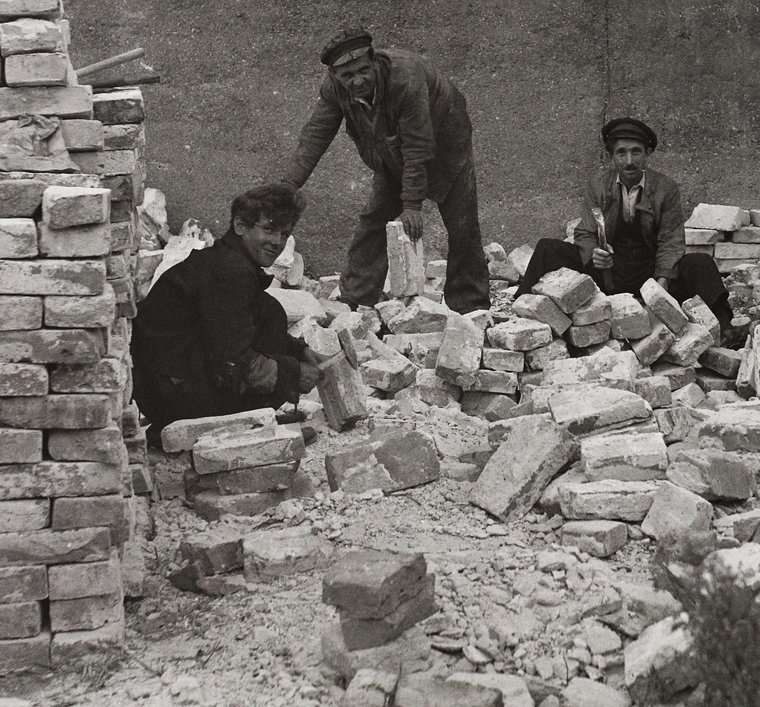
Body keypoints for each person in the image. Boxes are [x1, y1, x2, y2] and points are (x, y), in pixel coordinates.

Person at [283, 28, 490, 313]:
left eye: (363, 70)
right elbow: (315, 135)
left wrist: (412, 205)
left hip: (446, 145)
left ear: (374, 59)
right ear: (334, 76)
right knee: (374, 220)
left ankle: (471, 307)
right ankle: (356, 299)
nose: (357, 81)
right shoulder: (334, 89)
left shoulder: (405, 76)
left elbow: (418, 144)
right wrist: (288, 185)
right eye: (347, 76)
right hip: (389, 149)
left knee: (462, 225)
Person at [130, 183, 322, 441]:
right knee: (265, 353)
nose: (277, 242)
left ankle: (249, 420)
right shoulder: (229, 273)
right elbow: (236, 362)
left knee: (270, 311)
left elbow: (238, 326)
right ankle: (229, 428)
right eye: (268, 229)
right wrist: (295, 374)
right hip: (173, 396)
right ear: (240, 226)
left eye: (284, 234)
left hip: (171, 382)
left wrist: (300, 352)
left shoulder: (229, 261)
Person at [516, 117, 734, 340]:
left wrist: (662, 282)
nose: (629, 161)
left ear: (647, 153)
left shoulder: (665, 188)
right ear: (612, 156)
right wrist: (594, 255)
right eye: (621, 153)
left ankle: (725, 330)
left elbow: (671, 241)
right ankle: (520, 315)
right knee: (547, 248)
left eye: (636, 152)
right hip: (606, 272)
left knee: (700, 264)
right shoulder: (598, 185)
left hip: (648, 273)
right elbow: (585, 232)